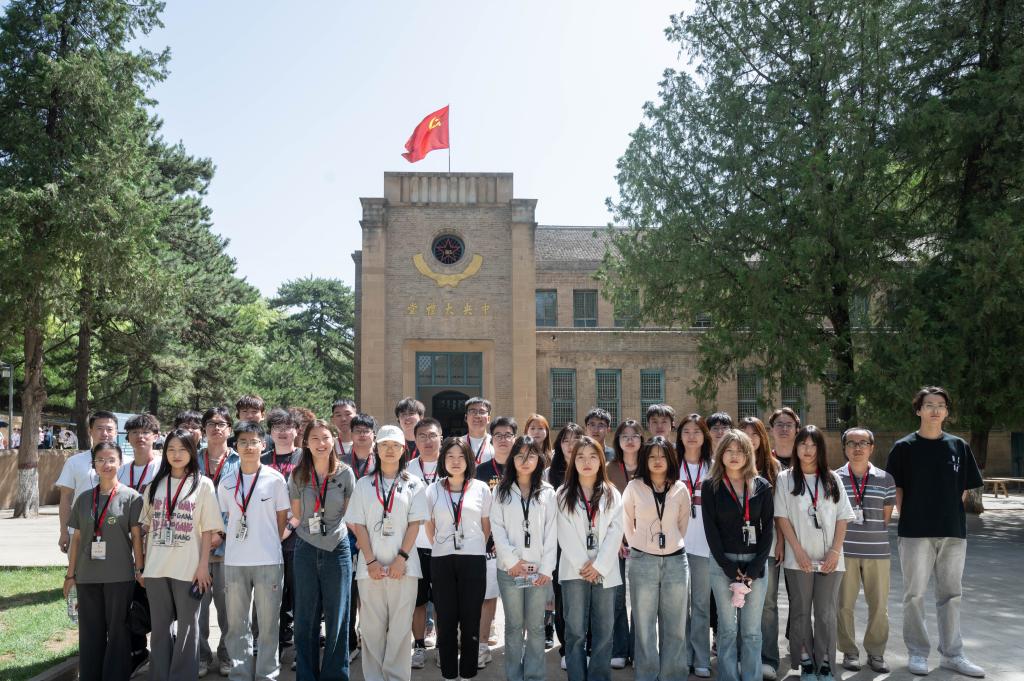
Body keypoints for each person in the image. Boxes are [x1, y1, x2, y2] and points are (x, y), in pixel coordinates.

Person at [885, 386, 984, 678]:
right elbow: (897, 488)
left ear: (946, 412)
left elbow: (964, 489)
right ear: (919, 410)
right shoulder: (904, 447)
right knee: (914, 594)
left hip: (953, 532)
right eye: (929, 405)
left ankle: (952, 654)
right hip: (915, 532)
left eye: (940, 405)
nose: (935, 410)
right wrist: (911, 516)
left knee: (951, 594)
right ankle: (917, 652)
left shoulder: (958, 446)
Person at [141, 429, 223, 681]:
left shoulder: (203, 484)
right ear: (165, 453)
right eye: (171, 449)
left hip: (189, 569)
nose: (176, 455)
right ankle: (159, 675)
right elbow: (145, 528)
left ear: (192, 452)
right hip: (156, 569)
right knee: (159, 629)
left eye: (182, 449)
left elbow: (208, 530)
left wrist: (203, 566)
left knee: (188, 628)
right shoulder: (154, 485)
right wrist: (141, 566)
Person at [774, 425, 855, 681]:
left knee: (825, 613)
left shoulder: (832, 479)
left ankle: (826, 664)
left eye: (813, 445)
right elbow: (781, 517)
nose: (808, 450)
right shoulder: (785, 479)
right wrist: (797, 551)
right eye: (803, 444)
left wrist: (835, 551)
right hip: (798, 559)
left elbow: (843, 517)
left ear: (821, 449)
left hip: (831, 559)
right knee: (800, 612)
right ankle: (806, 662)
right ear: (796, 448)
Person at [348, 425, 428, 681]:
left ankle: (396, 677)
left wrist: (400, 559)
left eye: (395, 445)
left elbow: (415, 524)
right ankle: (374, 677)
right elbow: (358, 525)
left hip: (404, 567)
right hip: (369, 568)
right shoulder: (364, 484)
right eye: (384, 445)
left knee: (400, 629)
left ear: (404, 449)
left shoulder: (414, 483)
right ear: (376, 448)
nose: (390, 450)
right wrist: (371, 561)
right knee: (371, 628)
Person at [63, 442, 144, 681]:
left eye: (111, 460)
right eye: (100, 460)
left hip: (120, 576)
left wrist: (140, 569)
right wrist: (70, 575)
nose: (106, 464)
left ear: (120, 462)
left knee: (118, 631)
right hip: (87, 576)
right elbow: (77, 539)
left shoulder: (132, 497)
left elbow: (137, 537)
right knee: (90, 632)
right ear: (94, 464)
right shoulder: (84, 499)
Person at [217, 421, 290, 681]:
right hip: (235, 562)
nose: (249, 446)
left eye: (254, 441)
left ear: (263, 445)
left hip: (269, 560)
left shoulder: (275, 479)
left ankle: (266, 674)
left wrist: (268, 541)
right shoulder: (226, 482)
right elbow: (224, 518)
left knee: (269, 625)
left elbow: (282, 518)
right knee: (237, 625)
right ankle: (240, 673)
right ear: (235, 446)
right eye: (243, 442)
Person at [702, 429, 774, 681]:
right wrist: (729, 568)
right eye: (729, 450)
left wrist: (753, 569)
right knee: (727, 629)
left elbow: (768, 530)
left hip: (755, 565)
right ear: (721, 454)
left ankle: (752, 677)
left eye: (740, 451)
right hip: (723, 565)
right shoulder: (710, 486)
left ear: (749, 454)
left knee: (752, 631)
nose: (734, 456)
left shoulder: (762, 486)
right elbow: (710, 531)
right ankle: (728, 676)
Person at [288, 418, 356, 681]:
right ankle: (306, 675)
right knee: (305, 617)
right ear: (305, 442)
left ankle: (335, 675)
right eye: (314, 438)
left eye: (325, 437)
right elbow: (296, 515)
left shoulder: (345, 473)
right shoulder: (297, 475)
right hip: (305, 547)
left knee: (338, 617)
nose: (320, 443)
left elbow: (349, 513)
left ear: (334, 440)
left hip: (337, 548)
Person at [623, 436, 691, 681]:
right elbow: (627, 521)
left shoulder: (680, 488)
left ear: (671, 459)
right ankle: (647, 674)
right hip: (643, 560)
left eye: (662, 456)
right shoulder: (634, 486)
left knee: (675, 625)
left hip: (676, 561)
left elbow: (682, 524)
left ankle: (672, 674)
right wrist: (639, 545)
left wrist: (670, 542)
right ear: (645, 459)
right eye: (652, 456)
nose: (657, 461)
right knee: (644, 624)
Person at [556, 435, 624, 681]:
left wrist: (599, 565)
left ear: (601, 460)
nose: (587, 462)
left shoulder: (612, 493)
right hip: (574, 571)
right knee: (575, 631)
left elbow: (617, 530)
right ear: (573, 461)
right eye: (581, 457)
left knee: (604, 630)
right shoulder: (562, 494)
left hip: (605, 570)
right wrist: (584, 565)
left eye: (593, 457)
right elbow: (563, 532)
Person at [490, 435, 557, 681]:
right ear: (512, 459)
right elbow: (497, 528)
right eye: (519, 455)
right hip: (510, 571)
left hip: (539, 572)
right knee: (514, 626)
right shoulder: (501, 491)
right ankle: (514, 675)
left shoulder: (548, 492)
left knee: (537, 626)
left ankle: (534, 675)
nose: (525, 461)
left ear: (539, 459)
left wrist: (546, 569)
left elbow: (552, 532)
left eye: (530, 455)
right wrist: (512, 562)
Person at [426, 437, 492, 681]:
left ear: (469, 460)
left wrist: (474, 545)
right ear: (443, 460)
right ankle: (449, 674)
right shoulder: (433, 489)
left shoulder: (481, 488)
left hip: (473, 559)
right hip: (442, 559)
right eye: (450, 456)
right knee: (446, 619)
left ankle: (467, 673)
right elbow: (429, 525)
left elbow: (486, 526)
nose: (455, 461)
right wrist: (442, 545)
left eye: (461, 456)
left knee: (471, 619)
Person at [835, 427, 895, 673]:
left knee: (879, 606)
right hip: (844, 552)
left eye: (863, 443)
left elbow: (886, 516)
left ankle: (876, 653)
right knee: (843, 605)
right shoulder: (834, 478)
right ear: (844, 448)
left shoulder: (886, 479)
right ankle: (849, 651)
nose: (857, 448)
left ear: (872, 448)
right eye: (851, 443)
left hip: (877, 552)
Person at [197, 406, 240, 676]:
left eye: (221, 423)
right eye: (211, 424)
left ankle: (226, 655)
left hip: (229, 548)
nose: (216, 428)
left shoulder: (239, 460)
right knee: (198, 609)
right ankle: (201, 657)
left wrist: (221, 533)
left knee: (229, 610)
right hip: (196, 548)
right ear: (204, 429)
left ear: (229, 429)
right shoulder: (193, 460)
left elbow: (241, 503)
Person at [739, 416, 782, 680]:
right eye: (744, 433)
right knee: (740, 601)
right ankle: (743, 657)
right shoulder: (732, 465)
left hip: (769, 544)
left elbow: (781, 512)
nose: (750, 439)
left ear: (762, 438)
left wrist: (782, 542)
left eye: (755, 434)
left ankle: (768, 658)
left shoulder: (774, 468)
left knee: (767, 604)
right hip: (739, 547)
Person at [475, 416, 517, 668]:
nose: (503, 439)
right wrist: (488, 538)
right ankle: (482, 645)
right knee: (488, 595)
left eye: (508, 435)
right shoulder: (480, 470)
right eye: (498, 435)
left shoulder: (523, 467)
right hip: (490, 544)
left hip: (518, 544)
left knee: (518, 599)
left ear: (515, 438)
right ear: (492, 439)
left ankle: (516, 645)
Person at [262, 408, 303, 653]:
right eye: (277, 427)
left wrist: (288, 527)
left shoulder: (305, 458)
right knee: (270, 595)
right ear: (270, 432)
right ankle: (270, 645)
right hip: (267, 538)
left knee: (300, 594)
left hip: (299, 538)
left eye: (288, 427)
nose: (283, 432)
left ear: (297, 431)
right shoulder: (262, 460)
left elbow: (311, 497)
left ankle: (301, 647)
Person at [676, 413, 714, 677]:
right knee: (679, 606)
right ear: (679, 436)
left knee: (701, 604)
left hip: (705, 547)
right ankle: (682, 656)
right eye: (686, 431)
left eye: (696, 431)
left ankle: (701, 657)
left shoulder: (714, 466)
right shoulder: (671, 464)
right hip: (676, 547)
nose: (691, 436)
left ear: (704, 436)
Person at [546, 422, 584, 670]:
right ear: (559, 445)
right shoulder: (549, 474)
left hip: (587, 545)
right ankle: (567, 648)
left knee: (587, 599)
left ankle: (586, 646)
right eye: (565, 440)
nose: (570, 445)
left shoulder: (592, 468)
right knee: (563, 600)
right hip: (559, 546)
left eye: (575, 439)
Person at [407, 418, 443, 668]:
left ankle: (442, 645)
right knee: (418, 601)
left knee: (443, 600)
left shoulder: (452, 463)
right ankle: (419, 646)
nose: (427, 441)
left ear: (441, 437)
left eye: (432, 435)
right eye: (422, 436)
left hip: (444, 545)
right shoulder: (407, 469)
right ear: (415, 439)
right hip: (415, 546)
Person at [606, 419, 642, 669]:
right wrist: (617, 537)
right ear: (617, 441)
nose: (630, 440)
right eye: (624, 436)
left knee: (641, 599)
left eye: (635, 435)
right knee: (617, 598)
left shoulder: (650, 466)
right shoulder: (609, 469)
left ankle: (639, 650)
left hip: (645, 542)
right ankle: (619, 648)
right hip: (615, 542)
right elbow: (605, 507)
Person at [57, 411, 119, 553]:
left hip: (117, 531)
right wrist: (64, 531)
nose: (105, 433)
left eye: (109, 429)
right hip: (80, 531)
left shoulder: (126, 463)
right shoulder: (74, 462)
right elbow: (65, 498)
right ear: (90, 431)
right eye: (99, 428)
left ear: (116, 432)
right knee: (78, 567)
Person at [343, 412, 378, 658]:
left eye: (366, 431)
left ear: (373, 434)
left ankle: (372, 638)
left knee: (373, 591)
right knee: (349, 591)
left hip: (376, 535)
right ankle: (349, 642)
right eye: (358, 431)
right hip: (346, 534)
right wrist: (355, 530)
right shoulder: (340, 462)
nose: (362, 435)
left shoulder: (383, 461)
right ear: (351, 434)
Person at [118, 413, 162, 493]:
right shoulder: (120, 471)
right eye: (135, 432)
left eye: (145, 432)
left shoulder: (162, 467)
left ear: (156, 437)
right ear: (128, 437)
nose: (140, 436)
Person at [463, 397, 495, 464]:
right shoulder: (458, 443)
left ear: (488, 419)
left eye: (482, 412)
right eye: (473, 411)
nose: (477, 415)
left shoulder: (496, 443)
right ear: (466, 417)